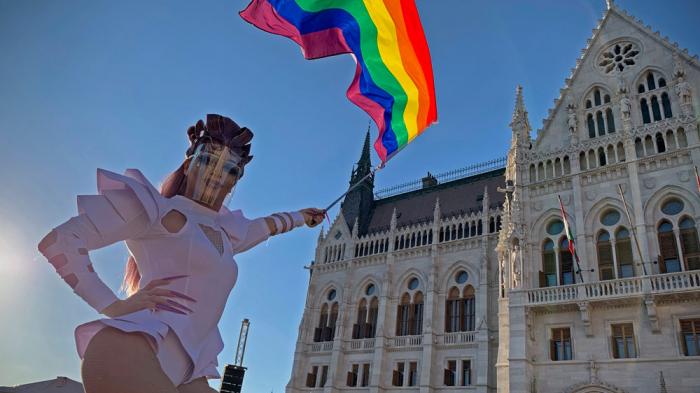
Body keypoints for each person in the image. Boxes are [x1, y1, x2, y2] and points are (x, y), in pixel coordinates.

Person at [37, 114, 326, 393]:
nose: (217, 175)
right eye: (208, 160)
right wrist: (111, 305)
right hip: (128, 355)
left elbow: (271, 225)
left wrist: (303, 216)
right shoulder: (156, 209)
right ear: (189, 164)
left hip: (188, 372)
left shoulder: (228, 235)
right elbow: (61, 241)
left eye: (230, 169)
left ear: (236, 180)